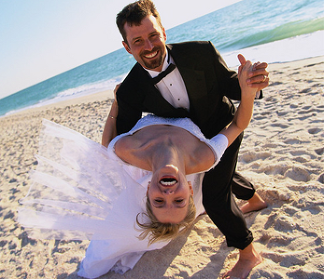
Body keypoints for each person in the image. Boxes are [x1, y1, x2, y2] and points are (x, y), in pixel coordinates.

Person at [18, 55, 258, 279]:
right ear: (190, 192)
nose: (168, 195)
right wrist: (247, 92)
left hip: (154, 139)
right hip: (198, 127)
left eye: (159, 202)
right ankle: (251, 200)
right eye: (178, 201)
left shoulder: (128, 150)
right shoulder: (203, 156)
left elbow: (107, 143)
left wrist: (116, 102)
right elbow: (238, 124)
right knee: (219, 176)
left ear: (148, 192)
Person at [101, 0, 268, 278]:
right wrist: (116, 104)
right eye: (138, 41)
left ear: (164, 32)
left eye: (153, 35)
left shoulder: (201, 52)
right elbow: (121, 136)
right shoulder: (131, 90)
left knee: (215, 196)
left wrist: (250, 83)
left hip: (224, 124)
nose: (150, 46)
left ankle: (248, 255)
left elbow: (233, 87)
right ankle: (255, 198)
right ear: (127, 47)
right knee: (212, 169)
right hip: (194, 145)